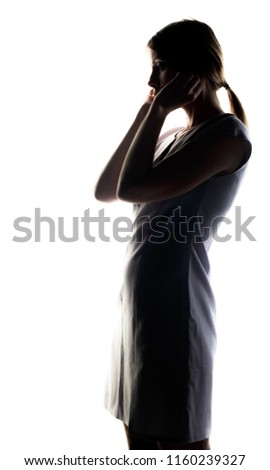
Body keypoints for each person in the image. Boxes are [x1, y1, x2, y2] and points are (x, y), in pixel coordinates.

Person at [94, 19, 252, 450]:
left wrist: (159, 109)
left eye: (159, 66)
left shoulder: (226, 136)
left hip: (175, 304)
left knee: (177, 436)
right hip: (139, 301)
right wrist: (148, 113)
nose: (151, 80)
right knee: (140, 437)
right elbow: (106, 189)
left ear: (190, 71)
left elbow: (131, 189)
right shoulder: (169, 133)